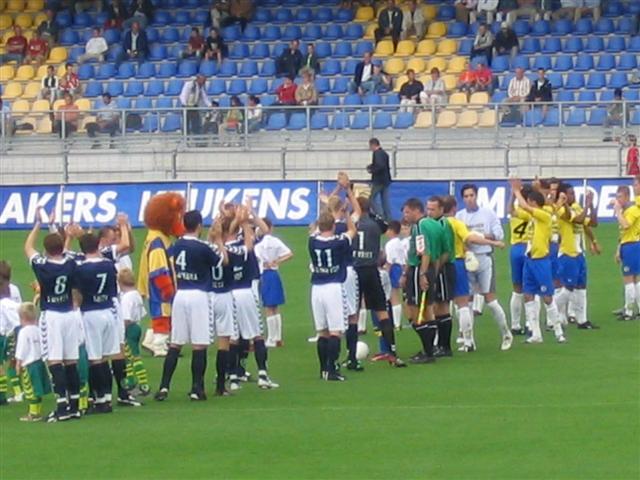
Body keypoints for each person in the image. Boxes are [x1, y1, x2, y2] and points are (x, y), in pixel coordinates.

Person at [154, 211, 227, 401]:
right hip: (198, 295)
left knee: (175, 343)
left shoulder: (177, 245)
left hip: (181, 294)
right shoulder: (202, 247)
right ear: (199, 226)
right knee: (199, 344)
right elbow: (222, 261)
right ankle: (197, 388)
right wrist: (218, 239)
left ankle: (163, 387)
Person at [24, 208, 81, 422]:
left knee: (55, 361)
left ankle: (61, 406)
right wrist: (54, 228)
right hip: (69, 314)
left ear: (46, 250)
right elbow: (65, 250)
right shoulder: (69, 262)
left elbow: (28, 248)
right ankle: (75, 405)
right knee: (71, 360)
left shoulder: (42, 265)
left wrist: (38, 225)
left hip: (53, 315)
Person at [226, 204, 279, 390]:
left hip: (229, 294)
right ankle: (262, 375)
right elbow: (261, 234)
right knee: (256, 334)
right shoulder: (245, 243)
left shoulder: (222, 247)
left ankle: (233, 377)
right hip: (246, 291)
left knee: (233, 337)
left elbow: (263, 230)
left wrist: (241, 219)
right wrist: (246, 220)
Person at [443, 195, 505, 352]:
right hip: (457, 262)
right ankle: (468, 341)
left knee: (443, 304)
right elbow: (471, 237)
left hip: (438, 265)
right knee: (464, 303)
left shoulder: (435, 224)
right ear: (454, 208)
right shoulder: (457, 223)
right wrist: (494, 243)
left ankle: (441, 341)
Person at [455, 184, 513, 350]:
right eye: (466, 196)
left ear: (476, 196)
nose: (469, 199)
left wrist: (477, 236)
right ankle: (468, 340)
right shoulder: (460, 216)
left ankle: (506, 333)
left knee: (490, 298)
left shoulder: (488, 213)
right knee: (466, 300)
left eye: (471, 195)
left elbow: (499, 234)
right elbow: (460, 238)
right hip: (467, 259)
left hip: (484, 258)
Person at [510, 178, 567, 343]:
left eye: (529, 201)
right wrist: (513, 196)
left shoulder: (544, 215)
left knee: (547, 297)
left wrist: (516, 191)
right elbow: (513, 212)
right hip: (530, 260)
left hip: (541, 261)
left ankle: (558, 332)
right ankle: (536, 334)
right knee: (528, 295)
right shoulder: (533, 219)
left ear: (534, 202)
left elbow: (525, 207)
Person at [353, 196, 406, 368]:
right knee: (382, 312)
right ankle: (392, 352)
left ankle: (351, 357)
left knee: (353, 314)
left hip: (355, 271)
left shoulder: (350, 225)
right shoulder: (376, 224)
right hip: (372, 271)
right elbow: (385, 224)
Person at [74, 232, 125, 411]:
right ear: (98, 245)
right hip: (108, 311)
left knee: (95, 359)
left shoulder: (81, 269)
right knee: (104, 357)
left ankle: (100, 399)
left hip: (91, 313)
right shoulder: (109, 264)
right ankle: (107, 398)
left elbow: (78, 295)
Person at [309, 210, 357, 381]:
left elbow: (313, 230)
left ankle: (322, 369)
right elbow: (353, 231)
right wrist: (348, 217)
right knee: (335, 331)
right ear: (334, 226)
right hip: (333, 287)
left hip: (316, 288)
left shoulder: (312, 241)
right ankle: (332, 369)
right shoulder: (340, 242)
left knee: (322, 331)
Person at [554, 184, 598, 329]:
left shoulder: (578, 207)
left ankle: (582, 320)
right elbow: (578, 220)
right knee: (568, 288)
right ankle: (551, 311)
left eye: (573, 193)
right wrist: (586, 206)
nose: (573, 196)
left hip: (579, 253)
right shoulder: (560, 209)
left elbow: (592, 223)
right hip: (568, 253)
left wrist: (592, 207)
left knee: (581, 287)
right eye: (570, 193)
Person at [255, 218, 293, 348]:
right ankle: (278, 337)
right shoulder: (275, 241)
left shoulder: (258, 244)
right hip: (274, 274)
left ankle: (271, 338)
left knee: (268, 308)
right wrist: (277, 261)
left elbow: (257, 259)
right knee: (275, 307)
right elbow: (289, 254)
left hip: (265, 274)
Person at [14, 302, 52, 422]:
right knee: (38, 388)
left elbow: (22, 349)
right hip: (40, 362)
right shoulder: (38, 330)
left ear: (22, 318)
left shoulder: (23, 332)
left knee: (30, 390)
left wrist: (18, 363)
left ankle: (34, 413)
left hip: (29, 364)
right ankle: (37, 411)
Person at [118, 268, 149, 396]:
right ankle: (130, 381)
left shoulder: (126, 298)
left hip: (129, 329)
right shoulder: (136, 294)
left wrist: (120, 331)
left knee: (134, 356)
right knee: (128, 356)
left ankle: (144, 384)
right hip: (137, 327)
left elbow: (126, 318)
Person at [507, 184, 532, 335]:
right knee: (530, 288)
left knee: (517, 289)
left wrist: (512, 194)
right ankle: (530, 323)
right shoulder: (532, 211)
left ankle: (515, 325)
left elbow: (509, 210)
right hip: (529, 248)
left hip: (516, 249)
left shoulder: (515, 210)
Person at [613, 183, 640, 320]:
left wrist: (617, 211)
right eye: (617, 197)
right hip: (627, 245)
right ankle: (635, 309)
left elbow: (626, 225)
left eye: (620, 197)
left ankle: (629, 312)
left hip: (632, 246)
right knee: (634, 279)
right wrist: (619, 249)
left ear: (627, 197)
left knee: (629, 279)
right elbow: (622, 233)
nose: (618, 200)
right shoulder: (627, 210)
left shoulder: (633, 210)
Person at [384, 220, 406, 330]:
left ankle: (397, 323)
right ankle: (396, 322)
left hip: (394, 268)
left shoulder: (390, 244)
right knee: (396, 295)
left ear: (391, 231)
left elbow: (389, 261)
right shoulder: (399, 242)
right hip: (400, 267)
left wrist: (386, 273)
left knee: (394, 296)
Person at [367, 138, 392, 221]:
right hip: (386, 180)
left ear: (373, 145)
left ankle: (381, 215)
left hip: (379, 180)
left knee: (371, 199)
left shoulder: (377, 153)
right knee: (385, 201)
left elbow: (380, 166)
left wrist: (372, 169)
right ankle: (388, 219)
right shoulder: (384, 153)